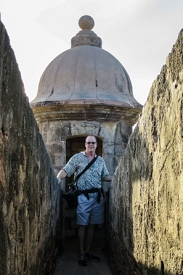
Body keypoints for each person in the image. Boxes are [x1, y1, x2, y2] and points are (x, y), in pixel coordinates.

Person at [57, 135, 112, 266]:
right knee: (83, 225)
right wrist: (58, 178)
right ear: (85, 144)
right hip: (83, 197)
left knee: (92, 225)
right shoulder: (77, 158)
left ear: (96, 145)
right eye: (89, 143)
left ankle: (87, 251)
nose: (91, 145)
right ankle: (81, 253)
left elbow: (105, 176)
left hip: (97, 198)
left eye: (93, 143)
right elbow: (66, 170)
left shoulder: (100, 161)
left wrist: (118, 177)